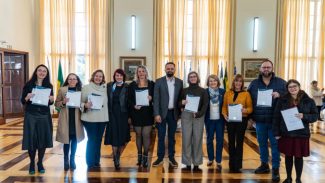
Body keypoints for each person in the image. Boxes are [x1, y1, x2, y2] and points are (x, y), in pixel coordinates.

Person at [247, 60, 286, 182]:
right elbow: (249, 101)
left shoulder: (281, 83)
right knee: (262, 144)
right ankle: (264, 165)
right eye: (264, 67)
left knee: (275, 145)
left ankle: (275, 168)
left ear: (272, 68)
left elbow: (289, 96)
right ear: (260, 69)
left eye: (268, 67)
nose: (266, 69)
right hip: (259, 121)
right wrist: (250, 118)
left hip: (275, 121)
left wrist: (280, 95)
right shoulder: (253, 84)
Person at [273, 79, 318, 183]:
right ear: (287, 89)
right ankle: (288, 178)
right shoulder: (282, 100)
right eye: (290, 87)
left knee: (299, 157)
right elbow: (276, 117)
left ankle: (298, 179)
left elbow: (315, 116)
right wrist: (277, 133)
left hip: (301, 134)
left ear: (299, 87)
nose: (292, 88)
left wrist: (304, 116)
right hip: (286, 133)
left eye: (294, 86)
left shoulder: (309, 100)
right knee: (288, 156)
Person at [21, 64, 54, 174]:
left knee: (43, 139)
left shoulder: (49, 86)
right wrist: (27, 97)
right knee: (31, 139)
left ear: (46, 73)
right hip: (31, 115)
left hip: (44, 115)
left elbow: (51, 102)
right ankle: (31, 162)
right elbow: (23, 100)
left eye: (44, 71)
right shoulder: (28, 85)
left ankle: (40, 162)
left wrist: (51, 99)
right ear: (36, 72)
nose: (42, 73)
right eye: (40, 70)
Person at [153, 62, 183, 167]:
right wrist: (156, 114)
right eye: (168, 68)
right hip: (161, 114)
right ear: (165, 69)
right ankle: (160, 158)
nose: (170, 70)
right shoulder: (159, 81)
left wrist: (180, 112)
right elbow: (156, 99)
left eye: (172, 68)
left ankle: (171, 157)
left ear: (174, 70)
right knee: (161, 136)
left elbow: (180, 98)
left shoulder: (180, 82)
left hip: (173, 113)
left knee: (172, 137)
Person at [222, 74, 253, 173]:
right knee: (231, 143)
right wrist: (224, 114)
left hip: (241, 121)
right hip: (230, 121)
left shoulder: (246, 94)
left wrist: (245, 110)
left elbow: (250, 108)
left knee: (239, 143)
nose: (238, 83)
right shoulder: (228, 93)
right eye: (236, 81)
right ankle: (231, 164)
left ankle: (238, 165)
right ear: (233, 82)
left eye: (240, 81)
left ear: (242, 83)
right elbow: (224, 107)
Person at [179, 71, 208, 171]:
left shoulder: (203, 91)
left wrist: (199, 114)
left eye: (194, 76)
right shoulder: (184, 90)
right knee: (186, 139)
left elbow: (205, 105)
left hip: (198, 116)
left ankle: (196, 163)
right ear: (188, 79)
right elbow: (178, 103)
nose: (192, 78)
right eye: (190, 77)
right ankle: (187, 162)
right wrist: (181, 103)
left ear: (197, 78)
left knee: (197, 139)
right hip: (186, 115)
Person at [55, 73, 85, 171]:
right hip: (65, 118)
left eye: (74, 79)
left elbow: (84, 104)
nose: (72, 81)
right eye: (70, 79)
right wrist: (63, 102)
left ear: (77, 80)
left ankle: (72, 159)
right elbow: (56, 104)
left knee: (75, 139)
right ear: (67, 80)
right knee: (66, 140)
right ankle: (66, 160)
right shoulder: (62, 90)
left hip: (76, 118)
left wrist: (83, 104)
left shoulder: (81, 90)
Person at [81, 70, 109, 169]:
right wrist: (85, 105)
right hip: (89, 119)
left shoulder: (106, 88)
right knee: (92, 140)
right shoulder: (86, 87)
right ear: (93, 77)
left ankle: (97, 161)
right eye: (96, 76)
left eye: (100, 76)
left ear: (103, 78)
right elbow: (80, 103)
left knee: (98, 140)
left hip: (102, 119)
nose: (98, 78)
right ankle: (90, 162)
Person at [128, 65, 155, 168]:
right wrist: (134, 105)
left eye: (143, 71)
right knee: (138, 135)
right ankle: (139, 157)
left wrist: (151, 98)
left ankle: (145, 157)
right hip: (136, 113)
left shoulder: (152, 84)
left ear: (146, 72)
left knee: (146, 135)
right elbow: (129, 99)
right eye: (139, 71)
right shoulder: (132, 85)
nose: (141, 73)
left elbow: (156, 97)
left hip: (148, 113)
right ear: (137, 73)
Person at [105, 69, 130, 170]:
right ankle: (115, 158)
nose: (118, 77)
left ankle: (118, 154)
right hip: (112, 114)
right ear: (114, 77)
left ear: (123, 77)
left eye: (120, 75)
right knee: (114, 135)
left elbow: (130, 101)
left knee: (122, 137)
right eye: (116, 76)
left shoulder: (127, 87)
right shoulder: (109, 86)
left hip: (123, 114)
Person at [204, 74, 225, 170]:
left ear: (218, 82)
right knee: (209, 139)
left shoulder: (223, 92)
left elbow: (226, 104)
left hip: (220, 119)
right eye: (210, 81)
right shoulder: (204, 92)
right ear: (208, 83)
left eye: (214, 81)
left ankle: (219, 161)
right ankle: (211, 158)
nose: (212, 82)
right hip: (209, 119)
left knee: (220, 140)